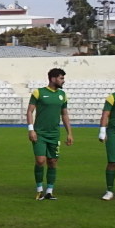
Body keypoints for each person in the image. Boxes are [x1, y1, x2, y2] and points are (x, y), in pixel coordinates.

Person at [26, 67, 73, 200]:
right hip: (39, 133)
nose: (63, 81)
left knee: (52, 161)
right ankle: (39, 189)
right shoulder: (38, 93)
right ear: (53, 78)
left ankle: (49, 191)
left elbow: (64, 114)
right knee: (40, 161)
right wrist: (31, 129)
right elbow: (29, 111)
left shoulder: (62, 95)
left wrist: (69, 133)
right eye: (61, 78)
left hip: (54, 134)